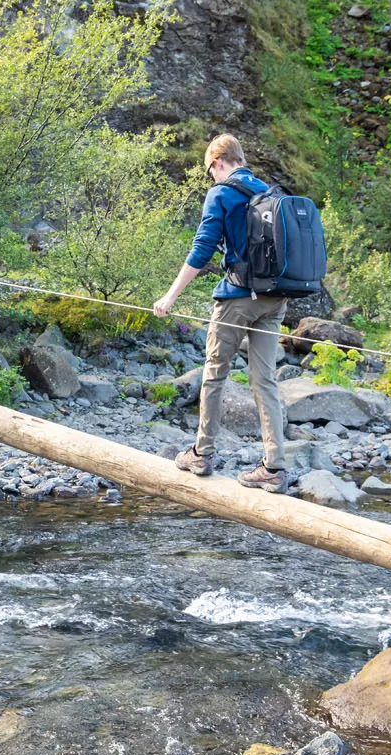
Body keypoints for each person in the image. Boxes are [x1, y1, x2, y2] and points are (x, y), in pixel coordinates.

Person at [153, 134, 289, 494]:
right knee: (266, 381)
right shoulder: (274, 194)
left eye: (208, 170)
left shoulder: (222, 193)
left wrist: (169, 297)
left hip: (238, 299)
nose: (210, 177)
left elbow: (202, 249)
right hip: (275, 299)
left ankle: (201, 452)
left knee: (214, 373)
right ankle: (274, 467)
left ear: (217, 162)